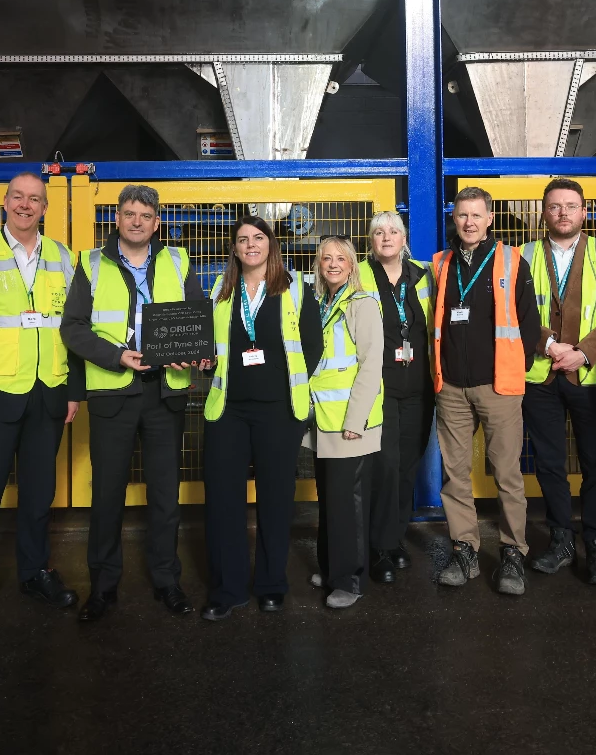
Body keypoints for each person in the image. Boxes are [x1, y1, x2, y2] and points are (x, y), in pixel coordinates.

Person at [60, 184, 205, 621]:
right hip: (114, 392)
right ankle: (102, 587)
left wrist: (198, 349)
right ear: (117, 219)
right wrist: (116, 355)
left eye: (145, 214)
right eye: (129, 213)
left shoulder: (177, 261)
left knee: (165, 495)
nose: (137, 221)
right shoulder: (92, 263)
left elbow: (197, 318)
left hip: (165, 392)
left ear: (156, 221)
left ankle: (167, 580)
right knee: (107, 495)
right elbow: (73, 328)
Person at [0, 172, 83, 633]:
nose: (26, 205)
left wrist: (73, 391)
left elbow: (73, 328)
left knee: (37, 496)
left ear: (45, 208)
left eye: (35, 199)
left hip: (48, 393)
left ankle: (35, 573)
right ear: (4, 202)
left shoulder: (62, 256)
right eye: (18, 197)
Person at [198, 216, 322, 620]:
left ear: (270, 244)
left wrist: (286, 387)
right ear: (233, 249)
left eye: (258, 238)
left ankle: (271, 584)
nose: (250, 245)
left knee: (275, 501)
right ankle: (228, 588)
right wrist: (203, 362)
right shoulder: (220, 289)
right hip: (228, 410)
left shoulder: (296, 288)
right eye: (242, 240)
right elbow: (211, 348)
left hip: (278, 413)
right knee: (223, 502)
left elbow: (313, 347)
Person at [431, 187, 543, 595]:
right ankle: (465, 550)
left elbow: (530, 320)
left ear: (490, 218)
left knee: (508, 475)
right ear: (454, 218)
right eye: (462, 215)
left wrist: (518, 366)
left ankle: (513, 553)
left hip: (499, 386)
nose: (469, 222)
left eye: (477, 215)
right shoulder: (441, 263)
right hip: (451, 389)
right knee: (454, 474)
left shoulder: (512, 260)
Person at [521, 178, 596, 584]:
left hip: (589, 374)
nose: (563, 212)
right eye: (554, 206)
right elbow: (520, 310)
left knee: (595, 467)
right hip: (542, 375)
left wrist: (583, 352)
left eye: (571, 206)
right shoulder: (524, 254)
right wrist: (550, 346)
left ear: (584, 212)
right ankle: (561, 541)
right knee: (549, 464)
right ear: (543, 213)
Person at [305, 236, 387, 609]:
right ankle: (332, 566)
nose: (333, 264)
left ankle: (350, 580)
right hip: (323, 420)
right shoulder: (321, 303)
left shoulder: (363, 304)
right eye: (326, 258)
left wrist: (356, 418)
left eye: (341, 258)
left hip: (350, 421)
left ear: (353, 265)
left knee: (348, 502)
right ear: (319, 265)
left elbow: (371, 364)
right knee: (330, 499)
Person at [359, 211, 434, 580]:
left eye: (393, 231)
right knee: (385, 466)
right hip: (378, 388)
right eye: (378, 233)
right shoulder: (360, 275)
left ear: (404, 239)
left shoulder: (424, 275)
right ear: (371, 242)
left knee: (407, 466)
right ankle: (379, 546)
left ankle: (395, 537)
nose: (386, 237)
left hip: (419, 387)